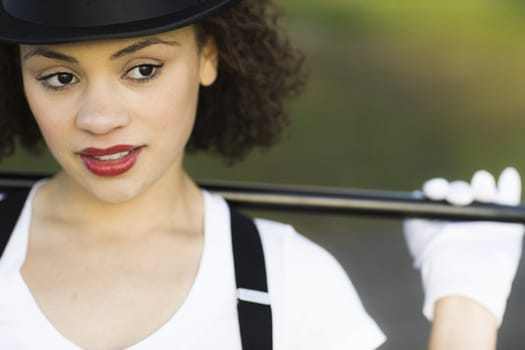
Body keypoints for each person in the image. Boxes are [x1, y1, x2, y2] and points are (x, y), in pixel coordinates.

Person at [0, 0, 521, 349]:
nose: (98, 118)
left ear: (208, 56)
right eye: (60, 77)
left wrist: (466, 306)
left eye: (143, 69)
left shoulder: (291, 280)